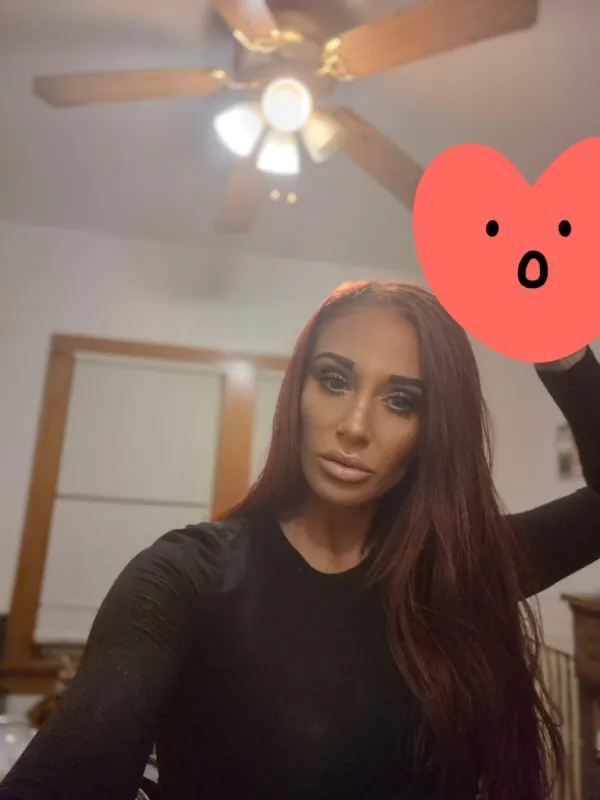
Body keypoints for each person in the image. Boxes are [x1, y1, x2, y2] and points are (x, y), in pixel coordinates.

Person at [1, 280, 600, 800]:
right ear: (298, 391)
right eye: (334, 379)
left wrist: (563, 351)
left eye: (400, 401)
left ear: (433, 430)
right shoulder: (185, 578)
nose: (355, 426)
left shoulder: (457, 572)